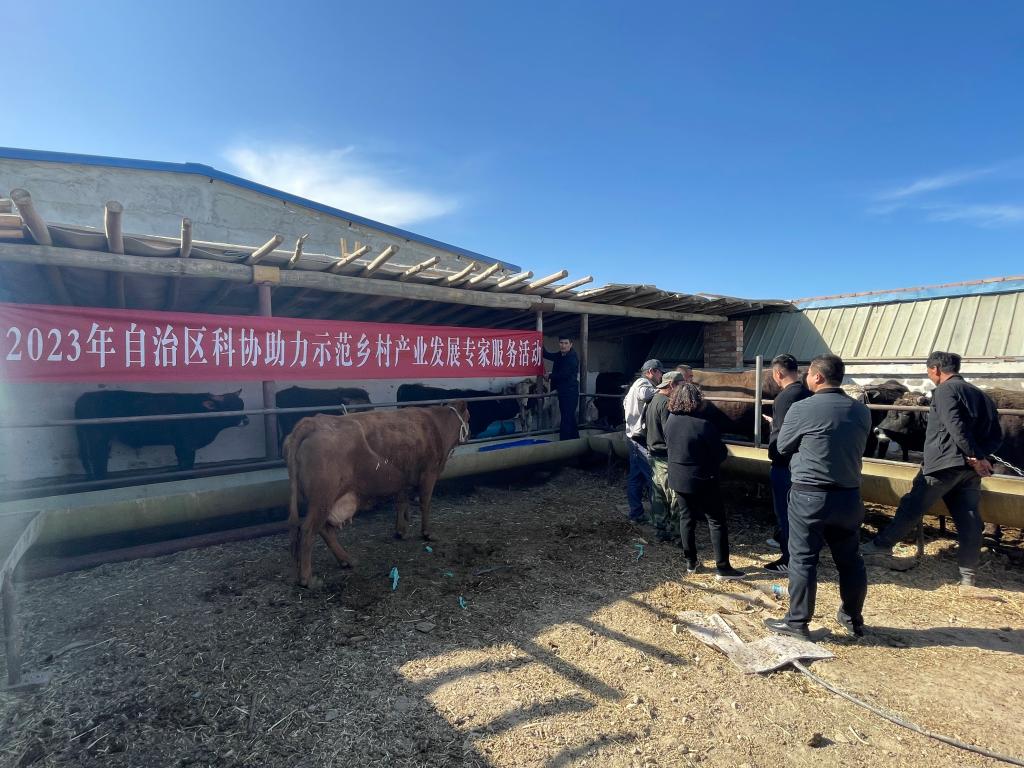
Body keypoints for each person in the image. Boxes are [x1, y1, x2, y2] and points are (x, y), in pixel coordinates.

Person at [863, 352, 1002, 587]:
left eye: (928, 371)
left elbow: (954, 425)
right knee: (968, 516)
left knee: (912, 506)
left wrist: (975, 455)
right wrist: (980, 457)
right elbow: (997, 434)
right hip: (969, 471)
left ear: (935, 369)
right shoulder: (981, 395)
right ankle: (968, 573)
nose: (929, 375)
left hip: (943, 464)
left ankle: (880, 546)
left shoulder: (946, 391)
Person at [765, 354, 871, 639]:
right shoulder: (861, 411)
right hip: (849, 495)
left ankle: (797, 622)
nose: (806, 378)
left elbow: (782, 447)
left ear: (818, 377)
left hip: (810, 495)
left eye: (809, 373)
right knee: (850, 560)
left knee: (803, 559)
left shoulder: (802, 408)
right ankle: (853, 617)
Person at [664, 382, 746, 580]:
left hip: (678, 477)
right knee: (716, 521)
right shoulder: (704, 425)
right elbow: (721, 453)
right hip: (703, 479)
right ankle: (723, 567)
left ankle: (691, 562)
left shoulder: (671, 420)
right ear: (696, 401)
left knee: (686, 519)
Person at [762, 354, 811, 574]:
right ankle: (803, 554)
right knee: (800, 514)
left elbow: (783, 437)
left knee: (785, 512)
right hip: (803, 461)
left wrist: (774, 433)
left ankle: (789, 559)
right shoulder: (807, 393)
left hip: (785, 465)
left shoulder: (784, 398)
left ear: (778, 373)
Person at [623, 359, 664, 522]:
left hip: (632, 436)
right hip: (639, 438)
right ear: (651, 371)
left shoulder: (635, 385)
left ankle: (636, 513)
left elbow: (626, 403)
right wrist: (664, 389)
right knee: (652, 476)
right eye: (660, 373)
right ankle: (658, 516)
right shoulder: (642, 383)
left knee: (636, 476)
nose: (661, 376)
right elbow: (645, 394)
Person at [646, 370, 684, 542]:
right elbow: (670, 433)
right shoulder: (667, 404)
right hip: (665, 456)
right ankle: (678, 534)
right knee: (674, 497)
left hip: (654, 454)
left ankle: (660, 529)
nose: (682, 390)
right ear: (671, 385)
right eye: (681, 386)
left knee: (658, 494)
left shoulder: (653, 400)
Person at [543, 335, 580, 441]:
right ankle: (576, 441)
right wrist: (539, 341)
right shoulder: (560, 355)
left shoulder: (572, 358)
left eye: (566, 343)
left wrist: (549, 376)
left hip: (570, 393)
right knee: (569, 418)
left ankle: (564, 444)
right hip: (563, 392)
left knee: (566, 419)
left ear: (571, 344)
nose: (563, 345)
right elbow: (547, 355)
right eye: (561, 343)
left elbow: (564, 374)